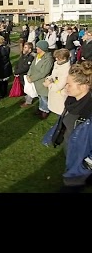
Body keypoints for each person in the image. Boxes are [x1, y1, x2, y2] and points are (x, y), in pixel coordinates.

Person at [42, 61, 92, 193]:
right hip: (71, 151)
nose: (65, 87)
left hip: (82, 163)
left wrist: (87, 163)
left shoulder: (89, 112)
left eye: (69, 84)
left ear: (83, 87)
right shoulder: (71, 101)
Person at [20, 40, 54, 118]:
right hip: (35, 80)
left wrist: (32, 78)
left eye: (38, 47)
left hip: (41, 81)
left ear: (42, 48)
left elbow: (44, 72)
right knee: (39, 96)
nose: (36, 48)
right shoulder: (38, 56)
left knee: (44, 97)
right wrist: (28, 74)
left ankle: (45, 111)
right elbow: (32, 66)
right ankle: (40, 109)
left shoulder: (48, 59)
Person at [45, 48, 71, 119]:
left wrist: (49, 85)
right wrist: (48, 78)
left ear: (64, 59)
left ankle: (62, 126)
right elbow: (53, 75)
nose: (56, 59)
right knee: (56, 110)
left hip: (60, 93)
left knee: (62, 112)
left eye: (58, 58)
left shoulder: (67, 69)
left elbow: (61, 85)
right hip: (54, 89)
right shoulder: (57, 63)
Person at [0, 35, 13, 100]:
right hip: (6, 66)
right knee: (5, 81)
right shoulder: (7, 48)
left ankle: (1, 94)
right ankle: (4, 92)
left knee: (0, 82)